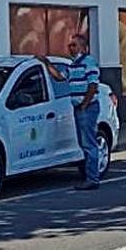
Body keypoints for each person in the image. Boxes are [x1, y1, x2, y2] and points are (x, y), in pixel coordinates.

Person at [38, 35, 102, 191]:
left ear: (82, 46)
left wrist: (85, 104)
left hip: (87, 107)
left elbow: (93, 84)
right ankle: (89, 175)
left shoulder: (88, 62)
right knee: (84, 143)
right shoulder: (73, 65)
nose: (70, 48)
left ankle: (92, 178)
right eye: (70, 45)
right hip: (79, 107)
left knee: (88, 143)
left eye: (73, 45)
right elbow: (60, 77)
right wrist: (46, 63)